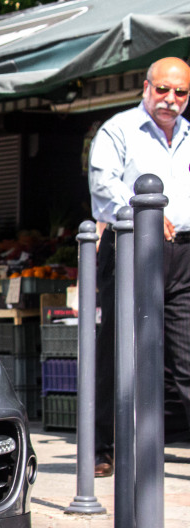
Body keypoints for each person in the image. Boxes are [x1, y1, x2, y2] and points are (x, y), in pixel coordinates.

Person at [88, 56, 190, 477]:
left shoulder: (188, 134)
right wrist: (143, 210)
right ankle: (101, 447)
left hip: (183, 252)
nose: (170, 99)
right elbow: (102, 183)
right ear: (146, 87)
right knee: (119, 346)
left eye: (180, 92)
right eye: (162, 89)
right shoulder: (119, 129)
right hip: (130, 243)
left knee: (186, 353)